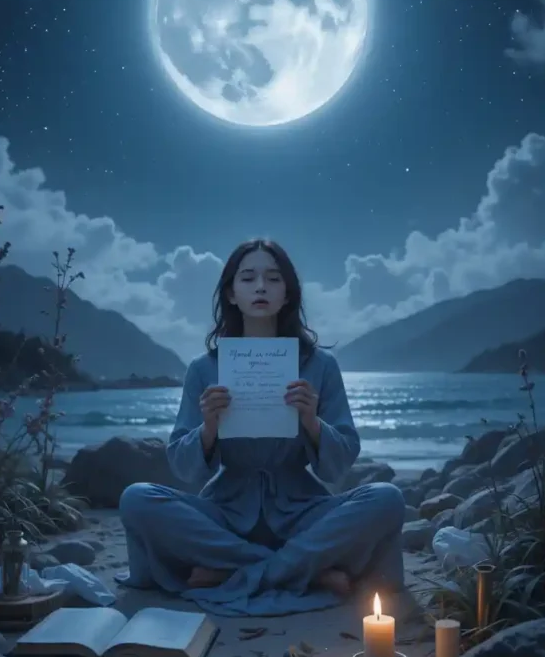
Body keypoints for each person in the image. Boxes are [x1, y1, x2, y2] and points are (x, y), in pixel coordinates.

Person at [119, 239, 405, 616]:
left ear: (287, 293)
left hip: (302, 512)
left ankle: (236, 572)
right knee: (137, 499)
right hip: (226, 515)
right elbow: (183, 467)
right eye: (248, 278)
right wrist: (208, 428)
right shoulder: (204, 369)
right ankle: (307, 571)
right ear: (231, 293)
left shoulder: (320, 366)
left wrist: (311, 421)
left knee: (386, 498)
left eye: (272, 279)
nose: (260, 287)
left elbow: (339, 464)